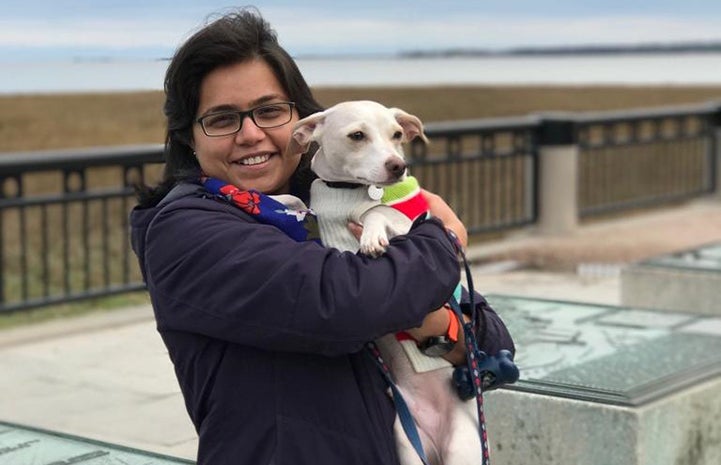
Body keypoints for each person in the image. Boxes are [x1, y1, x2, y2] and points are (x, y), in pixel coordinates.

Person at [130, 7, 514, 465]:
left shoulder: (328, 203)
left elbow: (492, 341)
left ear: (303, 122)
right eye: (221, 119)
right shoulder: (185, 232)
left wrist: (440, 328)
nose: (251, 134)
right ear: (189, 138)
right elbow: (341, 303)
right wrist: (439, 237)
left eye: (269, 111)